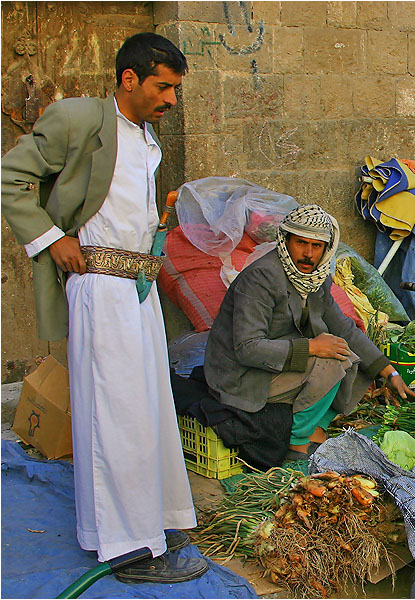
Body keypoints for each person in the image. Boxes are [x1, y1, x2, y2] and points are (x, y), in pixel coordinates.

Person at [0, 33, 207, 583]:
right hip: (98, 285)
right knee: (114, 414)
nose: (171, 100)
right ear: (129, 78)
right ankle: (128, 548)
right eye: (163, 86)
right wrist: (49, 239)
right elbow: (9, 178)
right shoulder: (80, 120)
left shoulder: (146, 138)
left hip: (135, 289)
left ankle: (156, 518)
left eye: (176, 89)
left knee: (147, 406)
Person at [204, 204, 415, 461]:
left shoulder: (314, 280)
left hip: (277, 362)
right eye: (301, 243)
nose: (308, 254)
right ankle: (296, 443)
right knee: (331, 360)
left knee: (346, 352)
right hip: (240, 376)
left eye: (316, 246)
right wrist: (311, 348)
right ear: (285, 242)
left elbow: (344, 328)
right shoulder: (260, 279)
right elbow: (247, 348)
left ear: (326, 249)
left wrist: (389, 372)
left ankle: (315, 427)